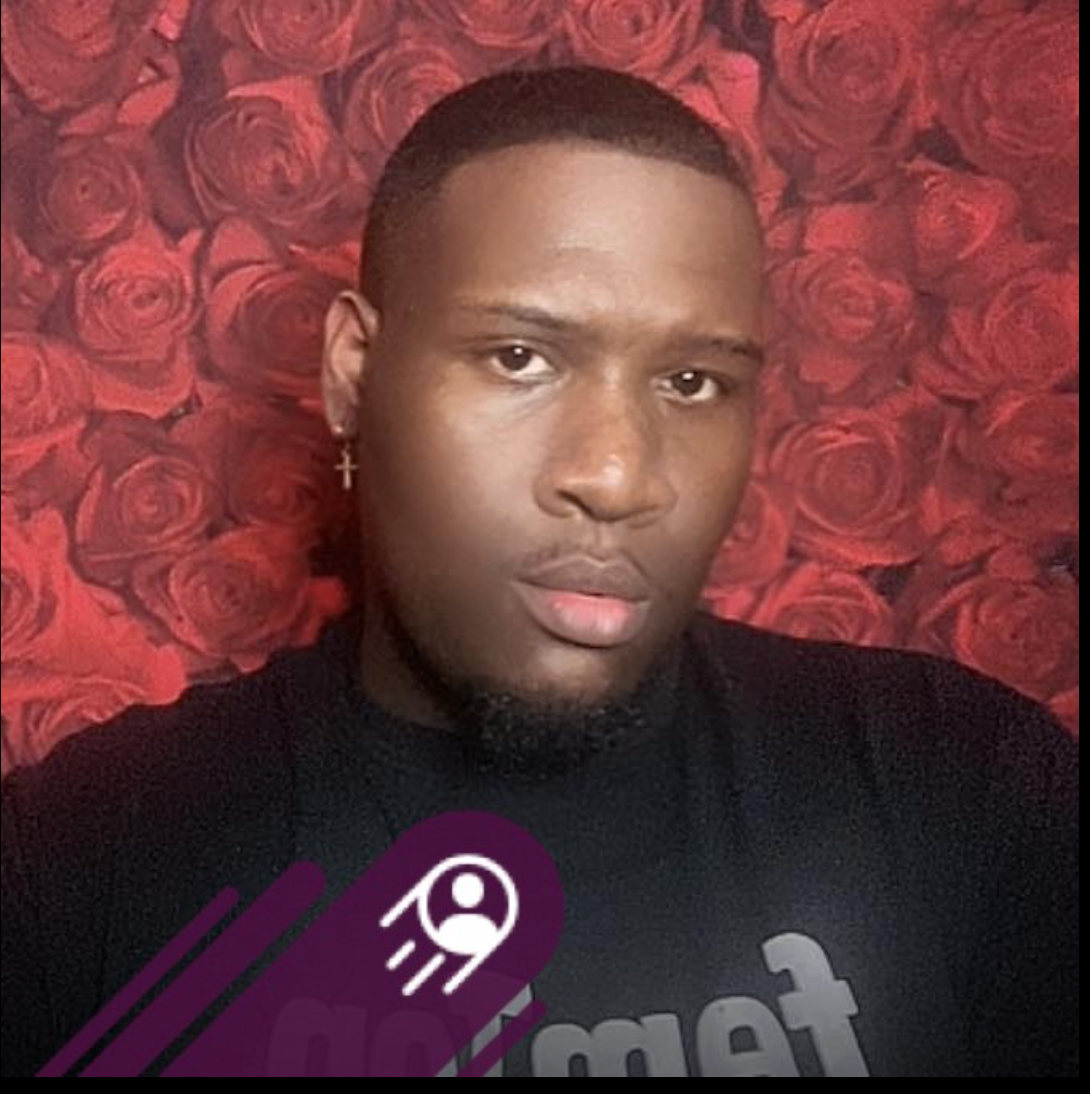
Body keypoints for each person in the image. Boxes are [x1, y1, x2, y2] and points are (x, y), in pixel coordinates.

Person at [1, 66, 1077, 1078]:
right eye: (519, 357)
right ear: (354, 374)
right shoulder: (90, 860)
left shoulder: (958, 790)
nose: (615, 477)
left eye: (693, 381)